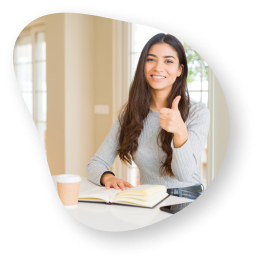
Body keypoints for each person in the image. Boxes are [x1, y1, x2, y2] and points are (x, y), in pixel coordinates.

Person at [86, 33, 210, 192]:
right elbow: (95, 164)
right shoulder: (131, 113)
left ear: (179, 70)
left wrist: (180, 131)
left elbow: (185, 175)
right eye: (151, 59)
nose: (158, 67)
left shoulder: (198, 113)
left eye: (168, 61)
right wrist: (108, 177)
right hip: (147, 199)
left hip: (185, 197)